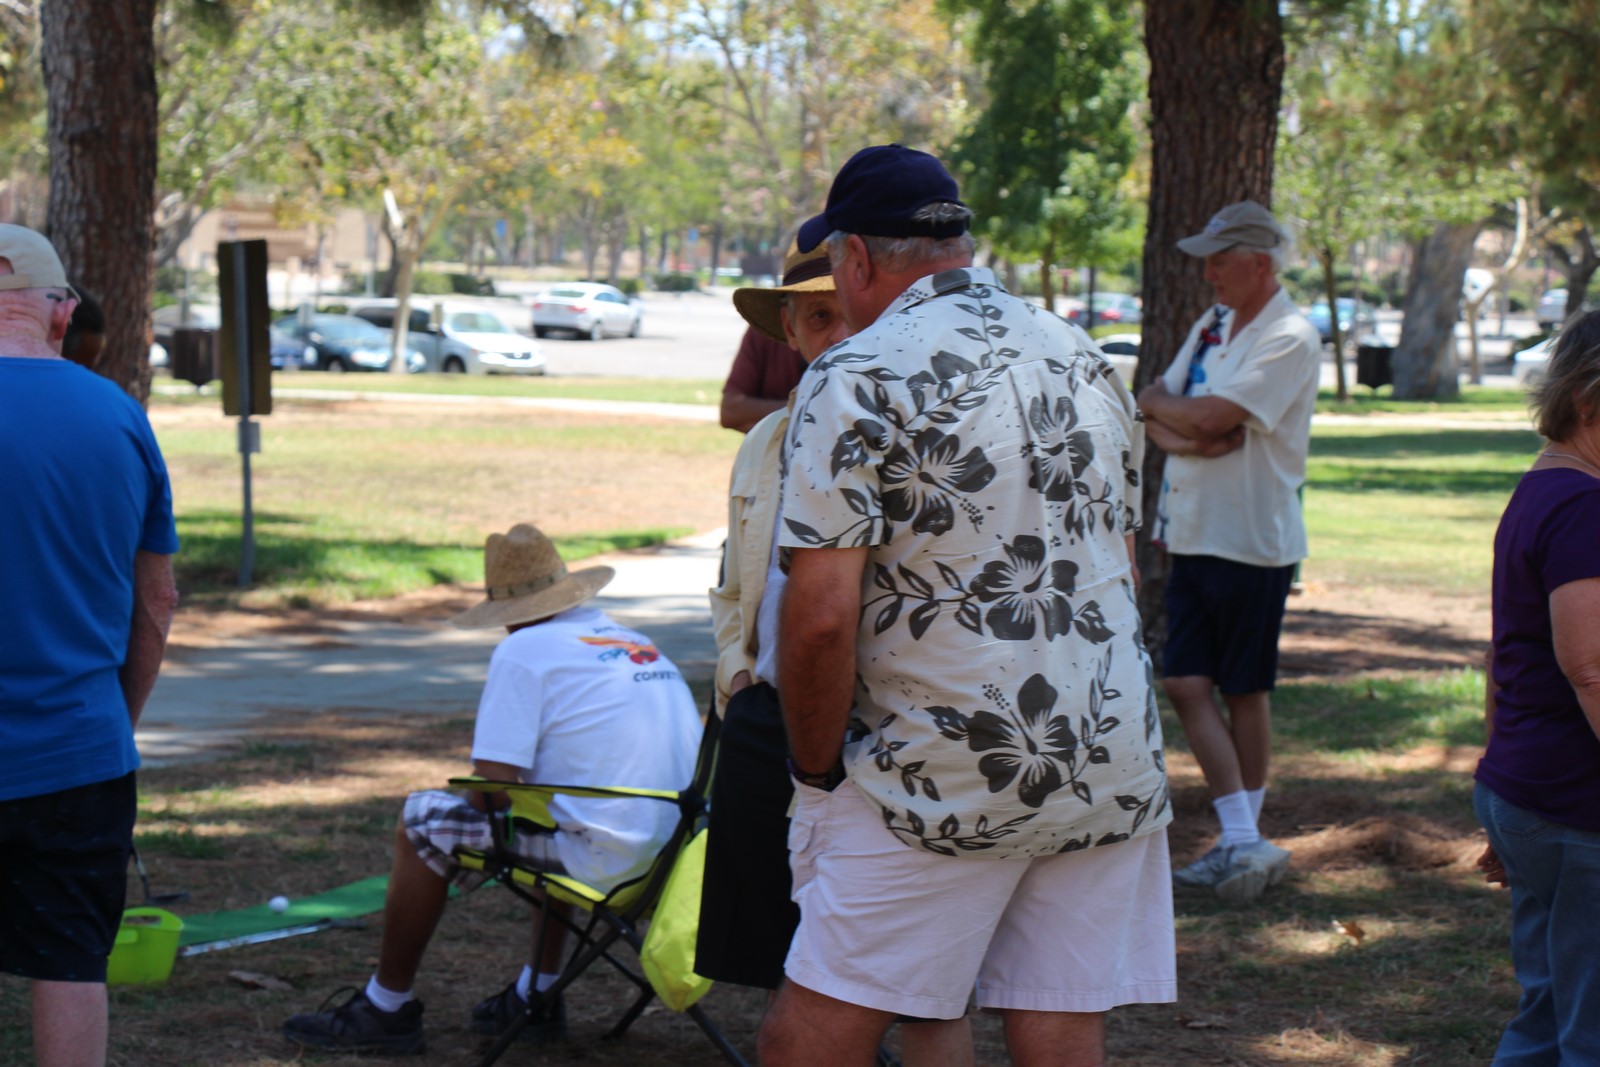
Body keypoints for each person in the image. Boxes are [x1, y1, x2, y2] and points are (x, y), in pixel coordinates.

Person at [759, 145, 1174, 1067]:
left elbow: (820, 613)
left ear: (856, 261)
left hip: (935, 766)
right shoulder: (1084, 356)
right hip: (1104, 748)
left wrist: (816, 770)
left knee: (810, 1036)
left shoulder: (854, 372)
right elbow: (1123, 565)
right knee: (1059, 1021)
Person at [282, 522, 702, 1055]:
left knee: (421, 821)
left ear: (509, 615)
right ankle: (538, 994)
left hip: (611, 864)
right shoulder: (630, 640)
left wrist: (464, 848)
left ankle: (385, 1008)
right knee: (545, 815)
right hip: (677, 866)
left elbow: (491, 787)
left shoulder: (524, 650)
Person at [700, 239, 969, 1065]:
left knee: (923, 979)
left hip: (885, 728)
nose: (839, 333)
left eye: (848, 311)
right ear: (790, 327)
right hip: (772, 716)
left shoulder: (924, 430)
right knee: (784, 955)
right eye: (817, 317)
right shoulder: (768, 439)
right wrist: (737, 673)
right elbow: (734, 588)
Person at [0, 225, 181, 1067]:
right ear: (60, 312)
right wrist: (118, 719)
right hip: (79, 750)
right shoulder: (121, 416)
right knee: (71, 963)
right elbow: (157, 599)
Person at [1135, 200, 1321, 904]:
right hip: (1190, 528)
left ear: (1259, 264)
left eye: (1219, 258)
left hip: (1250, 539)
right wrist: (1191, 431)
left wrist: (1185, 417)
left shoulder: (1291, 335)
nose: (1207, 272)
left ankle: (1244, 841)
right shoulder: (1213, 324)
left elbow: (1206, 412)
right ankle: (1244, 840)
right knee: (1185, 682)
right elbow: (1155, 400)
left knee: (1243, 688)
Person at [1473, 309, 1600, 1065]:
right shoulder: (1584, 506)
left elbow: (1508, 652)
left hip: (1532, 791)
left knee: (1550, 1011)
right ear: (1590, 400)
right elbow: (1589, 666)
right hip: (1575, 804)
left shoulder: (1544, 486)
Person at [719, 324, 808, 432]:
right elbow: (730, 411)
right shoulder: (763, 332)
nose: (834, 337)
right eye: (820, 315)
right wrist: (800, 409)